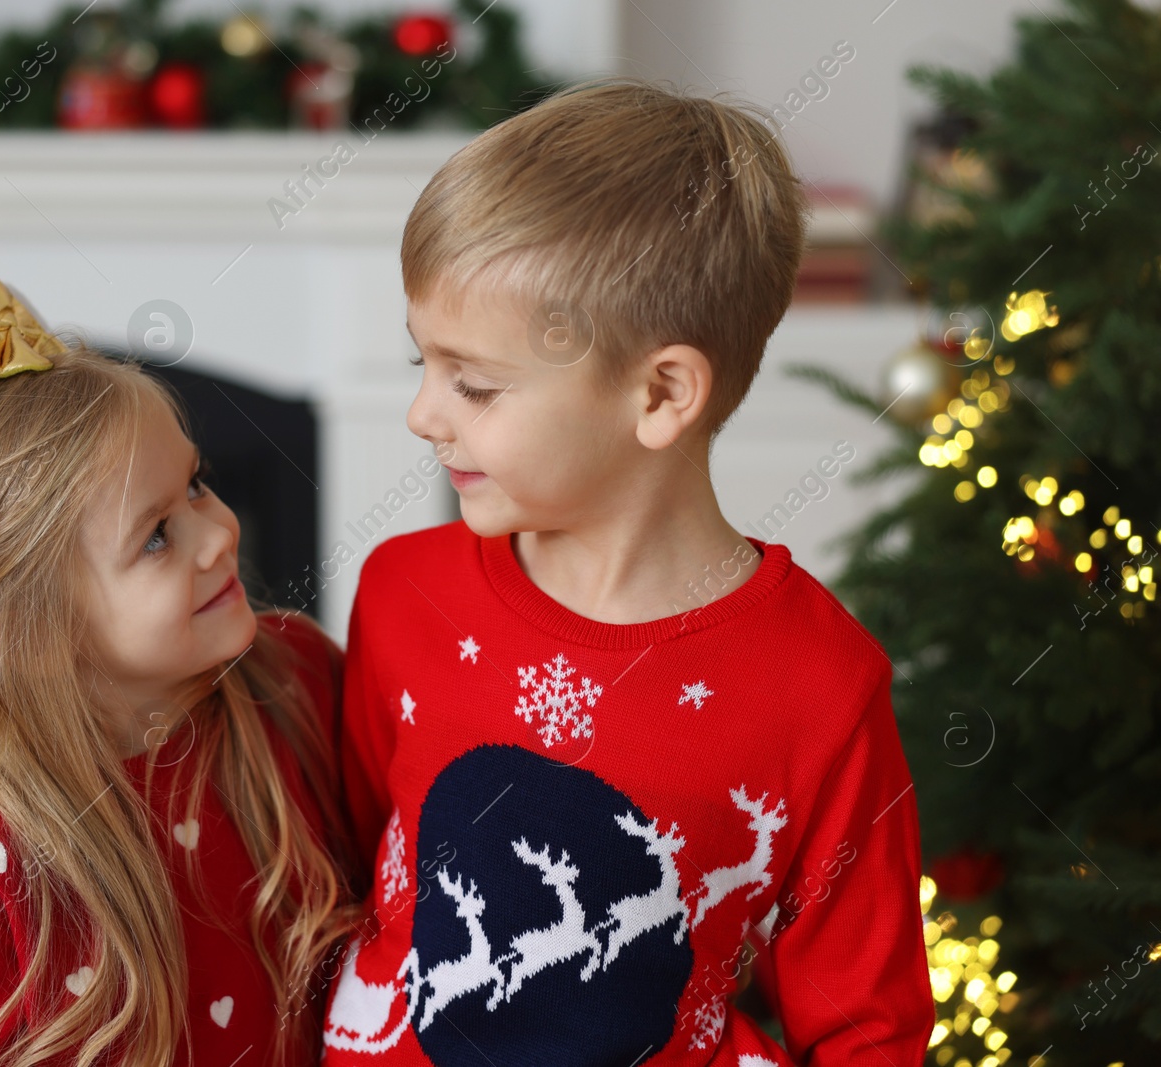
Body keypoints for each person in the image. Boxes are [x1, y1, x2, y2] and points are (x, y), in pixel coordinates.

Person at [320, 79, 933, 1066]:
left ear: (660, 394)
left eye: (473, 382)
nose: (424, 414)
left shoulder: (819, 685)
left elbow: (868, 1030)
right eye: (419, 364)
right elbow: (352, 873)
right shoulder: (404, 591)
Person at [0, 117, 360, 1066]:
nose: (221, 534)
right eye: (157, 535)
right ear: (34, 636)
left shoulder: (295, 676)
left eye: (198, 483)